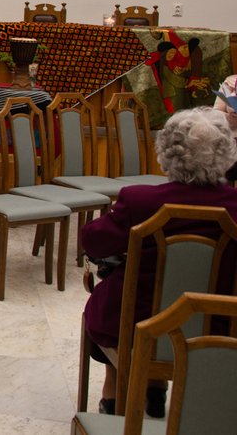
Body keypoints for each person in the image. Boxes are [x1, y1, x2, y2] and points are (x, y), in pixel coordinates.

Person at [81, 108, 237, 416]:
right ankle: (155, 389)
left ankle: (115, 398)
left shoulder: (140, 201)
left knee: (107, 301)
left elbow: (93, 241)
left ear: (167, 151)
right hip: (217, 328)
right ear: (226, 154)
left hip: (137, 326)